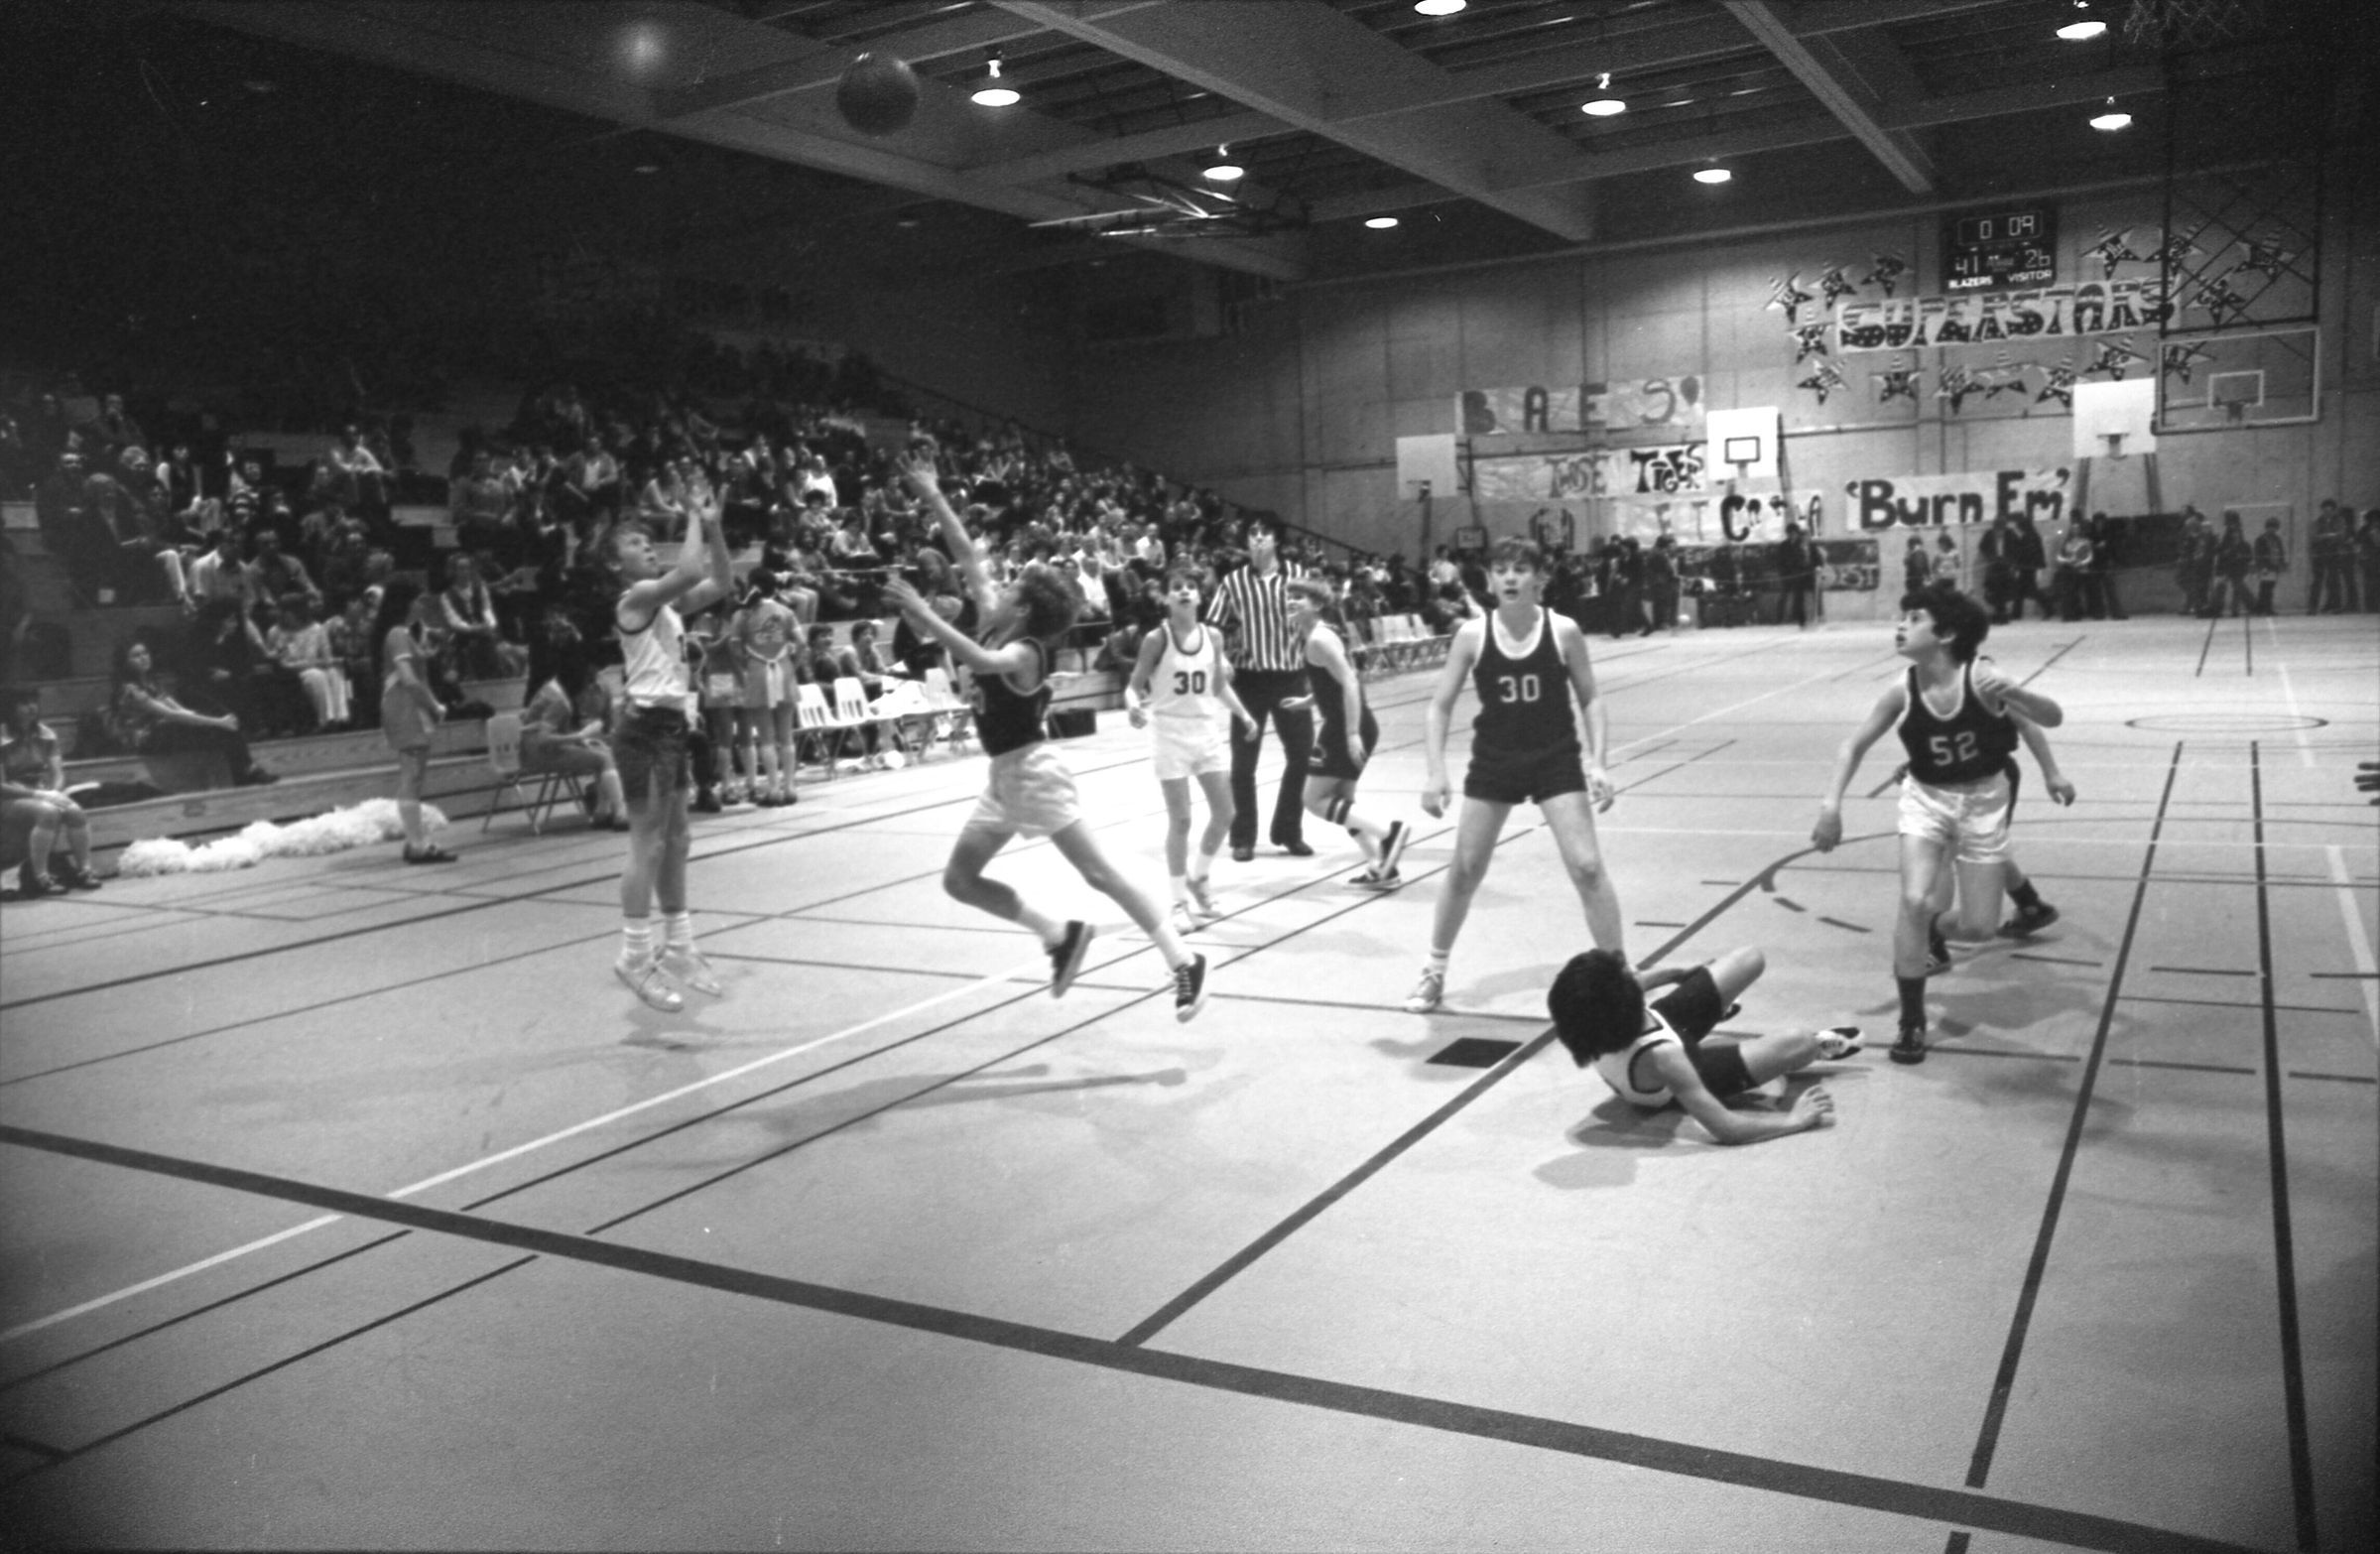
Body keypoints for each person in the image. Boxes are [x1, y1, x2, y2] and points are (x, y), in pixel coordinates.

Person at [884, 453, 1209, 1022]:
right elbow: (968, 554)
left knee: (1098, 872)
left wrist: (921, 614)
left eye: (1012, 586)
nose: (1000, 587)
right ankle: (1059, 935)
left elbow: (981, 660)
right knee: (960, 881)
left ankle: (1183, 959)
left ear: (1026, 605)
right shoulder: (996, 616)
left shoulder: (1024, 651)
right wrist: (933, 494)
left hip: (1035, 772)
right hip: (1004, 777)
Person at [1810, 583, 2065, 1064]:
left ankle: (1933, 929)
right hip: (1926, 799)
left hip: (1984, 800)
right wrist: (1831, 806)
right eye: (1902, 617)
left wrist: (2019, 698)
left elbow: (2050, 718)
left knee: (1979, 928)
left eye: (1914, 618)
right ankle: (1912, 1020)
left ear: (1946, 634)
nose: (1900, 625)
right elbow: (1854, 745)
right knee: (1913, 900)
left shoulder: (1984, 677)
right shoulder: (1901, 689)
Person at [1407, 537, 1623, 1015]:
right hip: (1495, 761)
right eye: (1501, 569)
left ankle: (1620, 975)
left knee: (1587, 867)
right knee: (1465, 869)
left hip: (1555, 759)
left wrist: (1599, 761)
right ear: (1489, 579)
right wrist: (1436, 772)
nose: (1509, 577)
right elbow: (1439, 706)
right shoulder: (1472, 635)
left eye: (1520, 569)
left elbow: (1591, 698)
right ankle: (1434, 969)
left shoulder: (1563, 631)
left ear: (1539, 578)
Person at [599, 474, 735, 1013]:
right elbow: (692, 570)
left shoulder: (668, 607)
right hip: (643, 731)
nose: (648, 546)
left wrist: (715, 527)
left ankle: (679, 945)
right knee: (648, 844)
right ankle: (635, 955)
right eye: (635, 544)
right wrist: (695, 516)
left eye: (647, 539)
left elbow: (720, 579)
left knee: (678, 840)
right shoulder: (634, 599)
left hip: (673, 728)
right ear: (617, 565)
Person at [1549, 946, 1853, 1145]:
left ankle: (1714, 1013)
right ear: (1626, 1000)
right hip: (1683, 1069)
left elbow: (1631, 983)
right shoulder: (1664, 1057)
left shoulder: (1591, 1017)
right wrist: (1794, 1120)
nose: (1632, 968)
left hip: (1659, 1025)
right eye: (1626, 974)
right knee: (1799, 1041)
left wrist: (1678, 976)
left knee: (1749, 958)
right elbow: (1727, 1128)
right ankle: (1818, 1046)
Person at [1124, 563, 1258, 936]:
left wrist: (1244, 714)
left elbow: (1217, 686)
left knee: (1226, 813)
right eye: (1177, 587)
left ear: (1200, 597)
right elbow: (1133, 686)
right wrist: (1133, 706)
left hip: (1205, 730)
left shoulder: (1213, 636)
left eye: (1190, 587)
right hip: (1169, 733)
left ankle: (1199, 878)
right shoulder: (1157, 639)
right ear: (1166, 598)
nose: (1184, 591)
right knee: (1181, 820)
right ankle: (1178, 902)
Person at [1286, 575, 1410, 889]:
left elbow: (1351, 683)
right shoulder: (1320, 634)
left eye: (1298, 597)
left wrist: (1352, 733)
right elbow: (1333, 682)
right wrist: (1308, 701)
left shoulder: (1319, 639)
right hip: (1352, 722)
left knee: (1314, 800)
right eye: (1289, 596)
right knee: (1343, 801)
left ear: (1316, 604)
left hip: (1344, 726)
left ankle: (1389, 833)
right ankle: (1380, 868)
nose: (1291, 601)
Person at [1203, 517, 1314, 861]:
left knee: (1301, 757)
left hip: (1290, 677)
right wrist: (1220, 657)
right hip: (1249, 681)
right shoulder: (1233, 582)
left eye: (1265, 532)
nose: (1259, 538)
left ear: (1276, 540)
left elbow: (1313, 622)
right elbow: (1212, 626)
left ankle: (1288, 831)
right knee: (1243, 764)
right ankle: (1242, 837)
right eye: (1253, 533)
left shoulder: (1298, 576)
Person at [109, 636, 277, 787]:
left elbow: (181, 710)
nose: (143, 658)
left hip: (163, 729)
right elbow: (171, 715)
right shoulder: (130, 689)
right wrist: (218, 722)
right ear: (125, 663)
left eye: (145, 653)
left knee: (218, 722)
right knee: (217, 726)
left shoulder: (151, 682)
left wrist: (216, 719)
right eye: (136, 655)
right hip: (146, 739)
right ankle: (246, 771)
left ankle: (245, 770)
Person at [373, 578, 453, 864]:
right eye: (418, 599)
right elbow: (408, 679)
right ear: (406, 603)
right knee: (411, 775)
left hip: (409, 706)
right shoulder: (397, 634)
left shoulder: (405, 634)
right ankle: (417, 845)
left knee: (415, 775)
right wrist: (434, 706)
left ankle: (415, 841)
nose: (422, 604)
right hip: (404, 707)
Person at [2, 685, 101, 895]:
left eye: (34, 702)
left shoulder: (46, 734)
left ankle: (84, 870)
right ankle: (41, 877)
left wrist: (54, 793)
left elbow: (57, 773)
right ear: (10, 708)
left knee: (74, 811)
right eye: (24, 703)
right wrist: (39, 795)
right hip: (9, 796)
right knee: (48, 812)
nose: (32, 707)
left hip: (39, 792)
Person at [731, 573, 800, 804]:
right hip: (784, 669)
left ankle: (773, 790)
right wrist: (793, 665)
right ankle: (790, 788)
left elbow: (734, 648)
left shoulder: (743, 614)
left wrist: (747, 666)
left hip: (758, 670)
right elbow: (802, 643)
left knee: (766, 737)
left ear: (751, 586)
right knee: (787, 736)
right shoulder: (786, 611)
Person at [2205, 510, 2252, 618]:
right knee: (2237, 586)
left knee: (2227, 586)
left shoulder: (2233, 530)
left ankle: (2218, 608)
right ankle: (2236, 609)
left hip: (2230, 563)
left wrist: (2220, 550)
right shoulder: (2235, 529)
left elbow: (2231, 546)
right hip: (2233, 563)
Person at [2251, 516, 2288, 617]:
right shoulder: (2261, 539)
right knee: (2264, 588)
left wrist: (2282, 563)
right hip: (2265, 567)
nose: (2272, 529)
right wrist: (2262, 566)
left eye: (2274, 527)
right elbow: (2258, 554)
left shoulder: (2277, 539)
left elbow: (2281, 552)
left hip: (2274, 567)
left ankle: (2263, 608)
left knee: (2270, 588)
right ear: (2267, 527)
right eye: (2270, 527)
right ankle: (2264, 608)